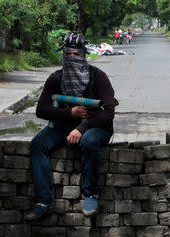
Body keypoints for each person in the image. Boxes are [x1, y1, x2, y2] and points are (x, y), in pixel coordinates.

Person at [25, 32, 116, 221]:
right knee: (37, 144)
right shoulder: (56, 78)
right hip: (64, 126)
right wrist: (70, 113)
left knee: (90, 141)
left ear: (83, 56)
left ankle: (90, 195)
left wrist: (81, 128)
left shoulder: (98, 77)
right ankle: (43, 201)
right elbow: (41, 109)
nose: (71, 58)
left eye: (76, 55)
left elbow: (108, 113)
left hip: (96, 127)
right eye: (67, 55)